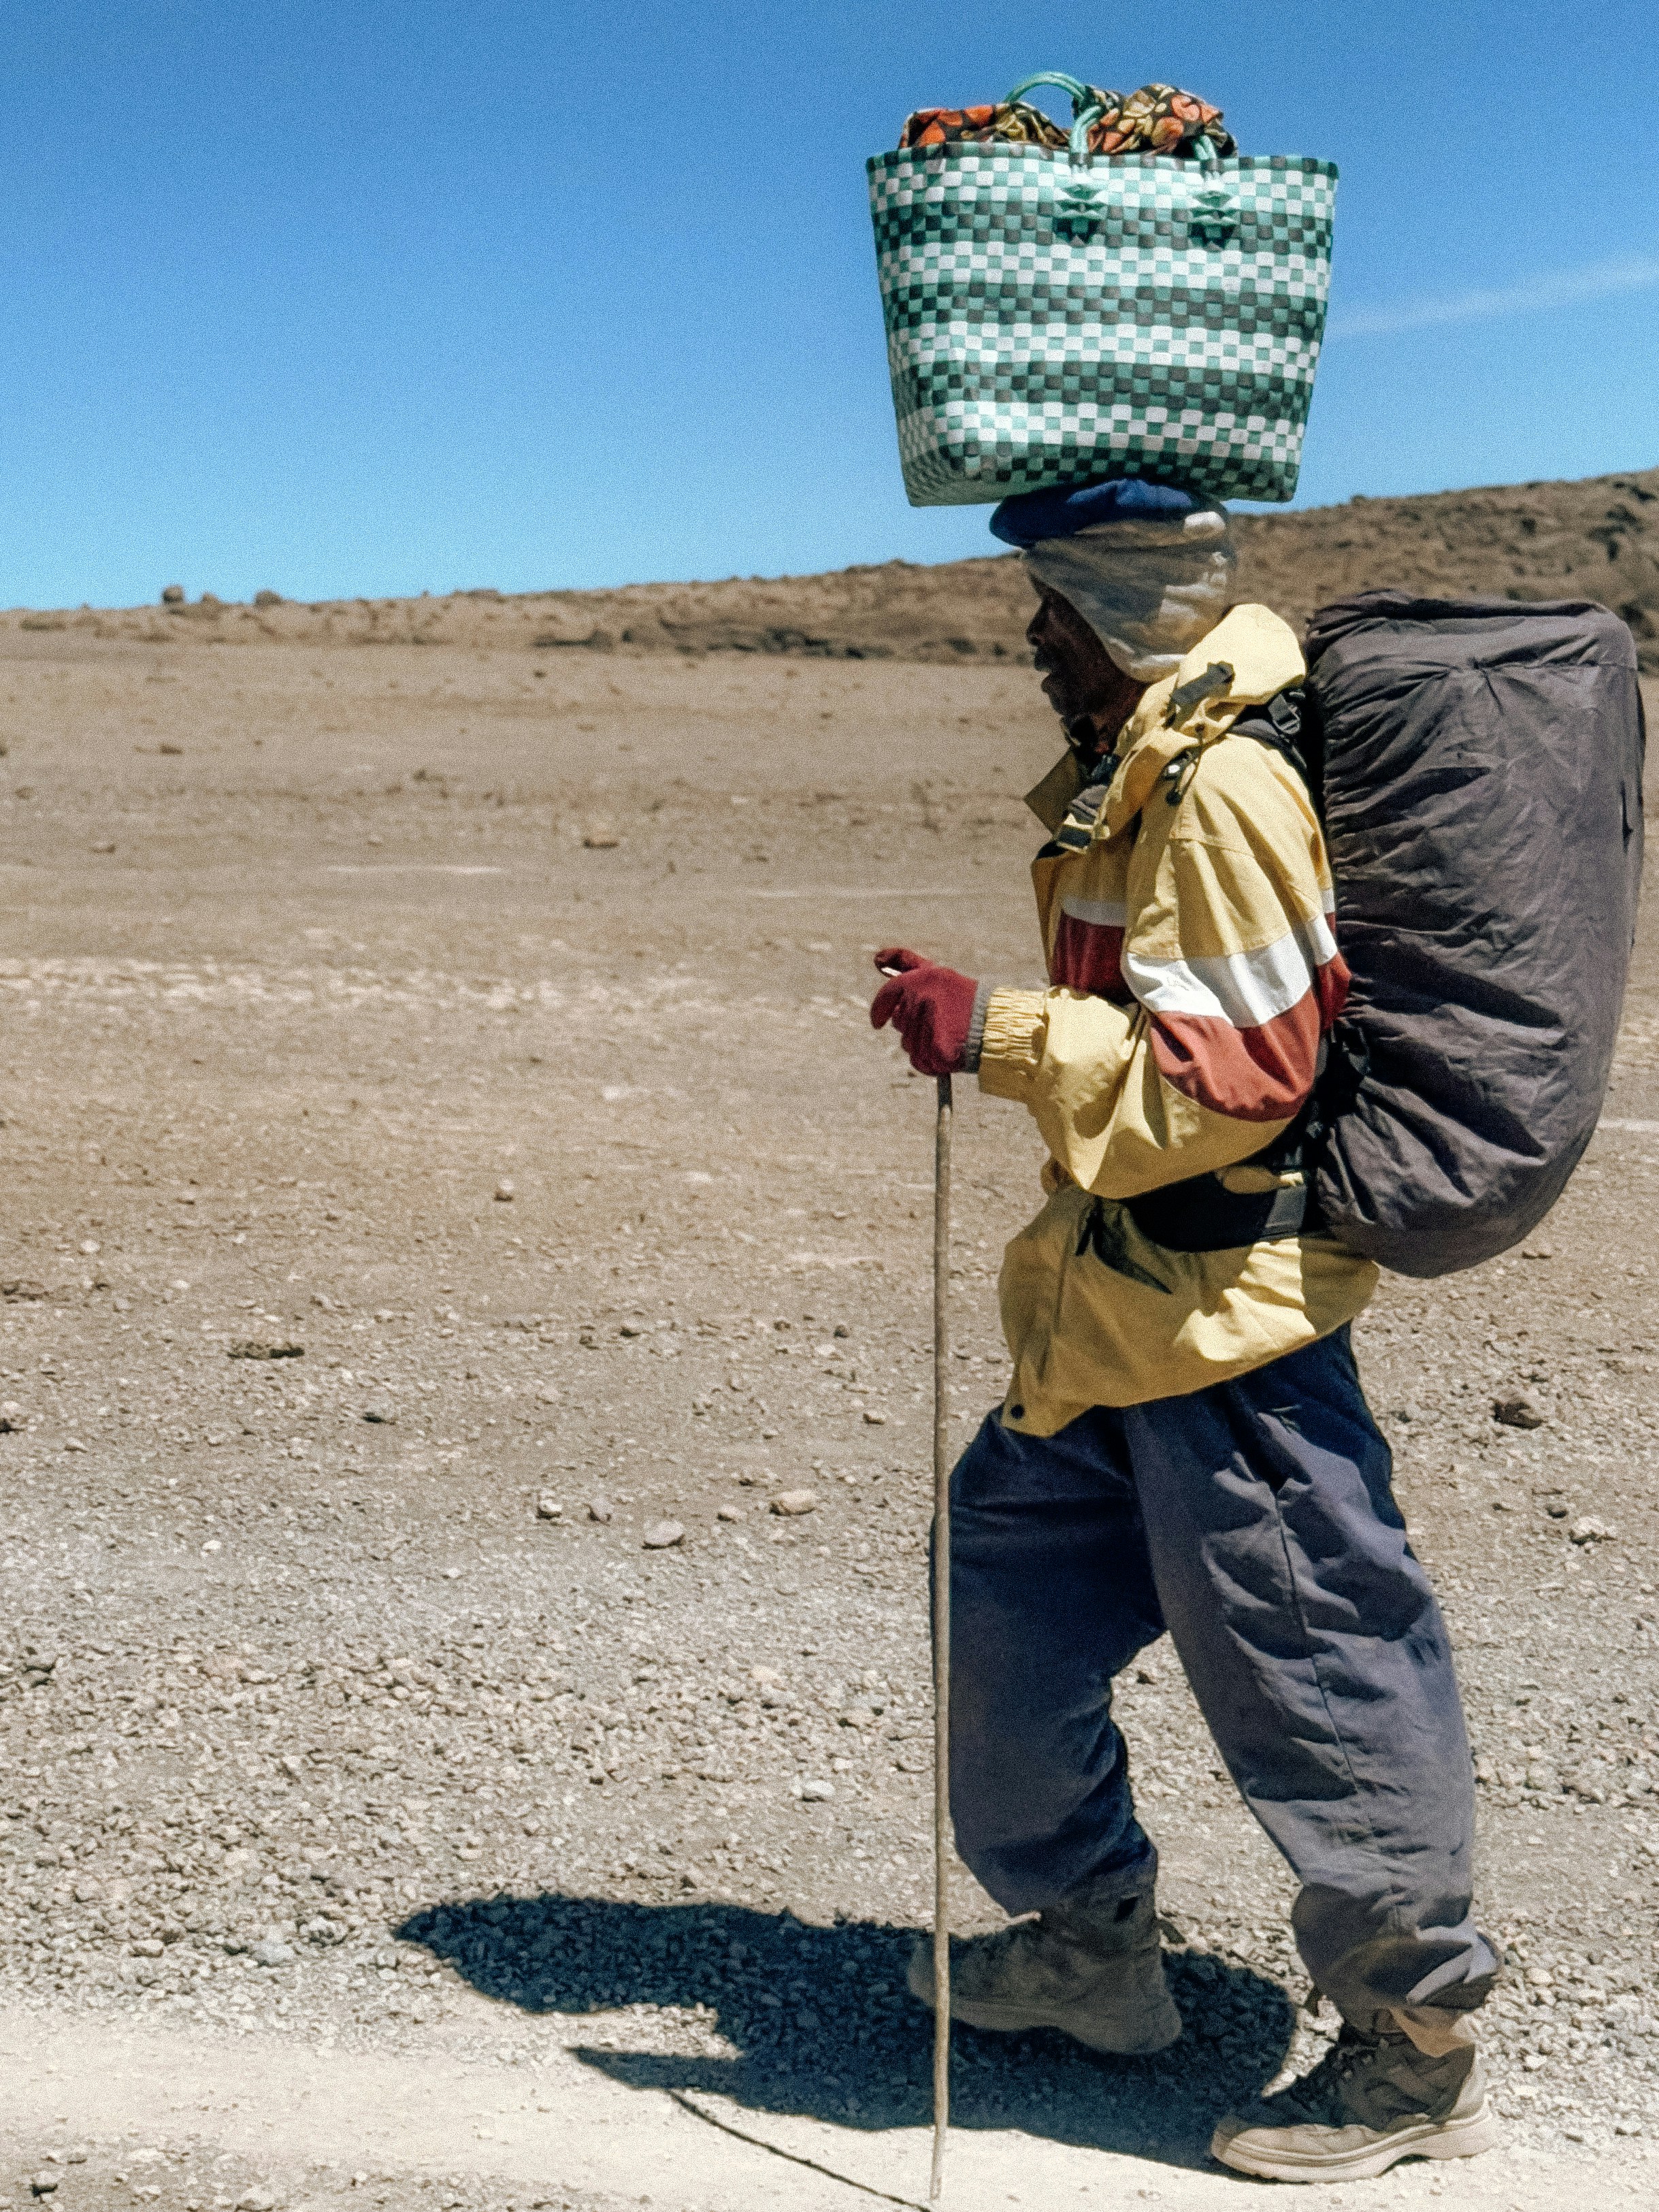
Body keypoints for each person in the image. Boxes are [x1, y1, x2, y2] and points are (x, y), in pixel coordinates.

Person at [870, 476, 1501, 2184]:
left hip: (1230, 1334)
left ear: (1119, 613)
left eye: (1048, 611)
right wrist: (1005, 1023)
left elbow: (1227, 1083)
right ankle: (1088, 1948)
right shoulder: (1133, 775)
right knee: (992, 1593)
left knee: (1317, 1678)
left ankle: (1411, 2045)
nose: (1029, 639)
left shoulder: (1214, 789)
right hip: (1108, 1316)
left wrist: (995, 1033)